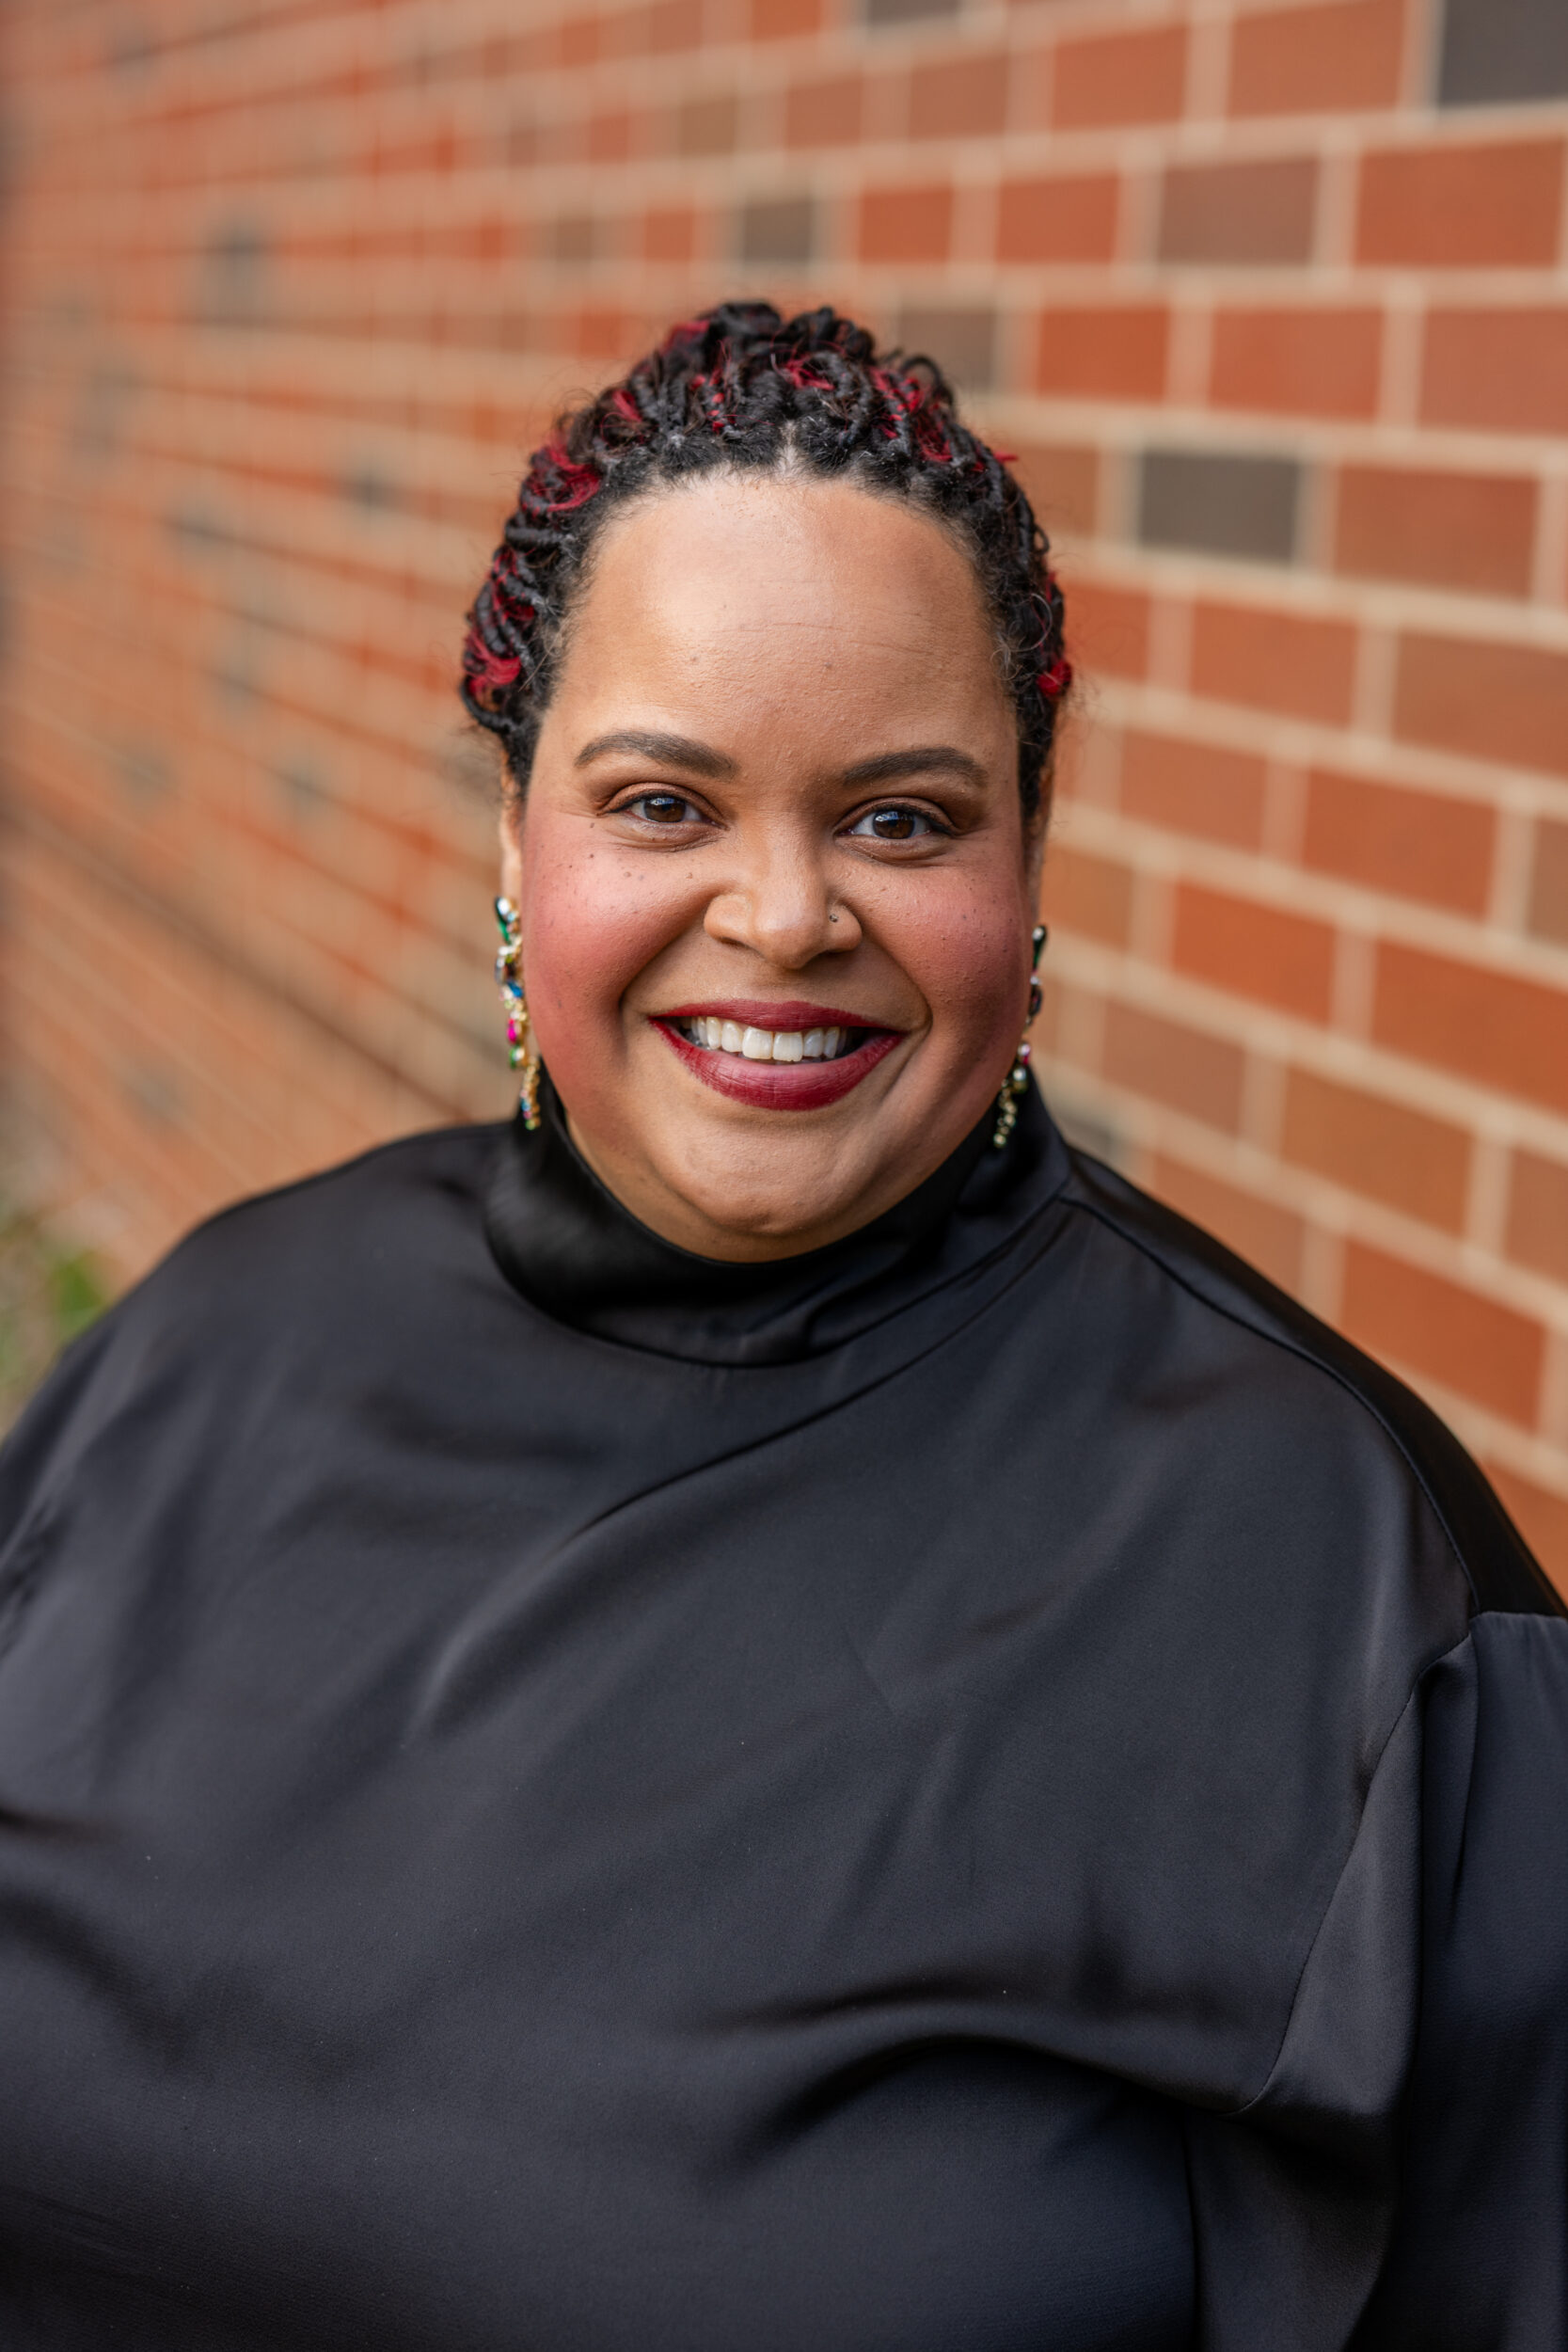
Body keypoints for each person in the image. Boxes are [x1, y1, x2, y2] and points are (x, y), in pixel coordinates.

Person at [0, 303, 1562, 2352]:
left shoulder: (1355, 1590)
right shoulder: (216, 1335)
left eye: (901, 819)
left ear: (1029, 865)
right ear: (515, 841)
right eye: (663, 802)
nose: (784, 915)